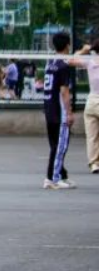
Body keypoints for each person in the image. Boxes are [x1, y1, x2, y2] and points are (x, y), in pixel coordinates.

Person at [43, 32, 77, 190]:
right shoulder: (63, 66)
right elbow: (64, 92)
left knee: (56, 145)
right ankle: (52, 179)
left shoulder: (51, 62)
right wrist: (69, 113)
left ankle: (62, 175)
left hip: (49, 109)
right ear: (67, 45)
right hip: (59, 111)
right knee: (60, 146)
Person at [71, 38, 99, 174]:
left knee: (92, 136)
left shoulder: (90, 61)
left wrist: (83, 50)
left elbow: (70, 60)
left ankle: (94, 163)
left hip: (91, 100)